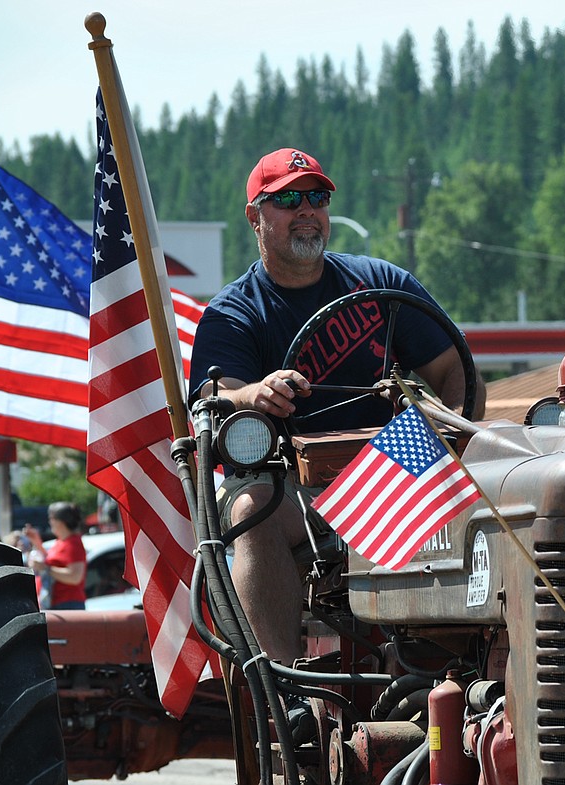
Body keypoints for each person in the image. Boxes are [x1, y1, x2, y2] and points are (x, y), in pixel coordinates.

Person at [189, 147, 486, 742]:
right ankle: (286, 693)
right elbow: (218, 392)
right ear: (256, 217)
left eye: (318, 198)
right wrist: (257, 395)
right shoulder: (236, 311)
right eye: (289, 199)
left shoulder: (380, 285)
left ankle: (479, 677)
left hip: (394, 472)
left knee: (498, 497)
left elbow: (457, 370)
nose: (308, 212)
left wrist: (449, 434)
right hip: (293, 490)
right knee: (250, 510)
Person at [23, 501, 88, 611]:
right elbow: (52, 561)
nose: (49, 522)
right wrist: (36, 542)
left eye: (51, 518)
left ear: (60, 522)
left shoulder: (73, 543)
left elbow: (75, 577)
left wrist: (44, 567)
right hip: (57, 604)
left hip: (68, 605)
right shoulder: (61, 541)